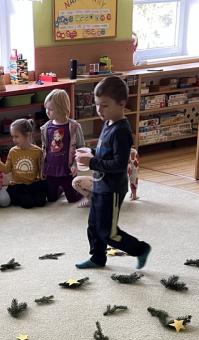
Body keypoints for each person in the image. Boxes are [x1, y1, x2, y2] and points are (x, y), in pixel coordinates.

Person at [74, 76, 151, 270]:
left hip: (113, 189)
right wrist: (91, 152)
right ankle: (97, 258)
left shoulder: (121, 131)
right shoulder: (108, 123)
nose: (99, 110)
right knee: (93, 225)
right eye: (97, 105)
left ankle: (140, 249)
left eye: (105, 105)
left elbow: (118, 164)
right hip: (100, 185)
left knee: (108, 232)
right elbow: (105, 153)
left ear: (122, 104)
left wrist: (92, 162)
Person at [40, 89, 85, 205]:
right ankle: (61, 189)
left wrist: (75, 164)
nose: (47, 112)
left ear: (62, 108)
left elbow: (81, 148)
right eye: (46, 108)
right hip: (51, 170)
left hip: (67, 170)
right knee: (51, 198)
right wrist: (42, 167)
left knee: (72, 199)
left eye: (51, 109)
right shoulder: (45, 128)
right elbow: (44, 149)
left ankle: (84, 190)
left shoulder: (74, 127)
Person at [0, 119, 45, 209]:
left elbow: (41, 170)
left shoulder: (38, 151)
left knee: (41, 202)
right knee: (28, 204)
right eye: (13, 137)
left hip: (32, 184)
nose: (14, 140)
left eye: (16, 136)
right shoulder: (13, 151)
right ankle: (16, 196)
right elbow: (6, 169)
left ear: (27, 134)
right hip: (18, 185)